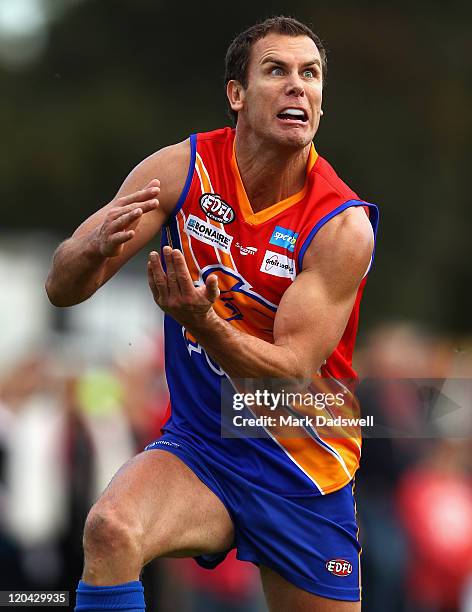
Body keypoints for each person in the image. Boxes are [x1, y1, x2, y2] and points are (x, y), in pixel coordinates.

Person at [46, 16, 379, 612]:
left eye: (311, 75)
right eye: (276, 70)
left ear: (322, 101)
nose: (297, 87)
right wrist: (92, 250)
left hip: (306, 467)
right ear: (237, 94)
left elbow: (288, 374)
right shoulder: (181, 169)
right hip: (204, 446)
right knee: (111, 530)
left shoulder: (342, 225)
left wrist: (202, 323)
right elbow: (61, 287)